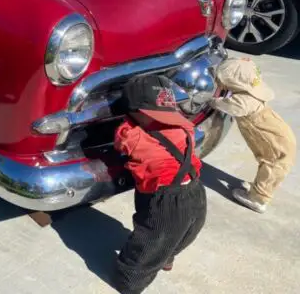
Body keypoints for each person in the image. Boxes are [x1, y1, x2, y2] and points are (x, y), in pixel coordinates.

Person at [112, 74, 207, 294]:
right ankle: (167, 257)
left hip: (163, 199)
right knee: (188, 230)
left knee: (152, 240)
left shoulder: (133, 134)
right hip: (195, 188)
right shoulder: (185, 128)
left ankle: (129, 282)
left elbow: (121, 141)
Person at [211, 57, 296, 214]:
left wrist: (212, 101)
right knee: (271, 165)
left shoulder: (243, 101)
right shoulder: (253, 92)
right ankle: (258, 188)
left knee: (271, 165)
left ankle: (258, 199)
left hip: (274, 141)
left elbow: (230, 106)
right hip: (280, 135)